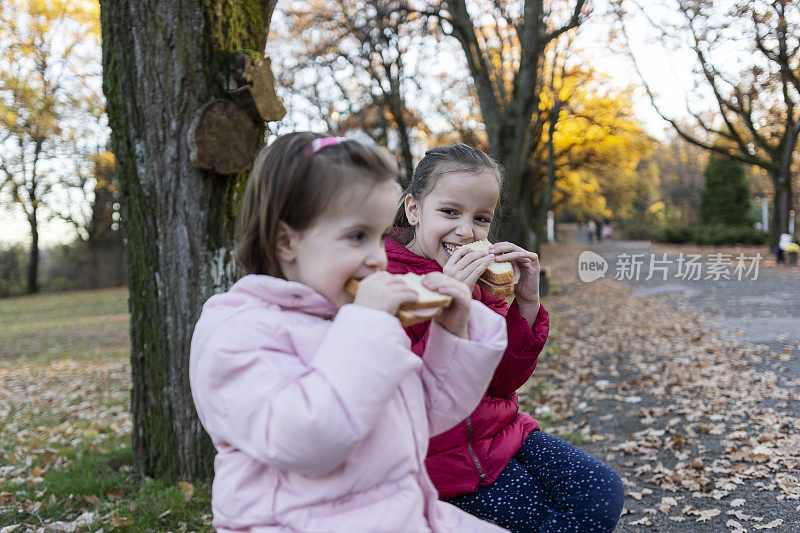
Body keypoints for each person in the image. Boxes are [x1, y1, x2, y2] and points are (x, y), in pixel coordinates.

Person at [189, 133, 511, 532]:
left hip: (401, 512)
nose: (378, 257)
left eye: (378, 237)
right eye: (357, 237)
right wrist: (369, 324)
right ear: (286, 241)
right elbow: (309, 439)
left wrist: (453, 334)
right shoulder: (237, 332)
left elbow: (423, 413)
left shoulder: (350, 316)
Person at [386, 144, 625, 532]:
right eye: (449, 212)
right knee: (536, 514)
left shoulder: (481, 281)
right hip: (435, 460)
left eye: (481, 218)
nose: (466, 231)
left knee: (600, 490)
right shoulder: (387, 282)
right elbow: (403, 391)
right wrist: (445, 303)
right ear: (414, 209)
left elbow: (503, 380)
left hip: (502, 432)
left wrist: (526, 304)